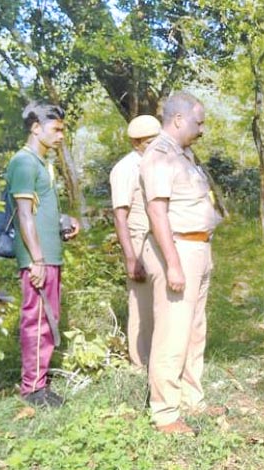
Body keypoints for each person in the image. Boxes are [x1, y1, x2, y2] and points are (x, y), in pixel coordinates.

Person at [139, 92, 223, 435]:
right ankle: (165, 412)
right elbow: (157, 211)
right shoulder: (158, 155)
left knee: (194, 329)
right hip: (177, 250)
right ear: (177, 120)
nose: (201, 129)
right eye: (198, 122)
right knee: (173, 332)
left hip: (198, 249)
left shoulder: (184, 156)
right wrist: (173, 264)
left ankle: (190, 396)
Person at [7, 102, 80, 408]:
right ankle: (32, 389)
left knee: (49, 319)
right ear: (36, 128)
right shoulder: (24, 162)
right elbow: (23, 214)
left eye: (63, 129)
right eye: (57, 129)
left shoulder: (41, 163)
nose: (62, 135)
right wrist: (36, 259)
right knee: (36, 320)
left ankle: (40, 382)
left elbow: (39, 211)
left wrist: (65, 223)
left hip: (51, 254)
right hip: (38, 258)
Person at [109, 114, 162, 371]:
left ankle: (159, 359)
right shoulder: (125, 168)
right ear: (136, 142)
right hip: (138, 240)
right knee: (141, 306)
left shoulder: (159, 164)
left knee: (160, 305)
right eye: (149, 141)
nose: (154, 145)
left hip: (159, 240)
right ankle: (139, 363)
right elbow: (120, 216)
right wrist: (131, 258)